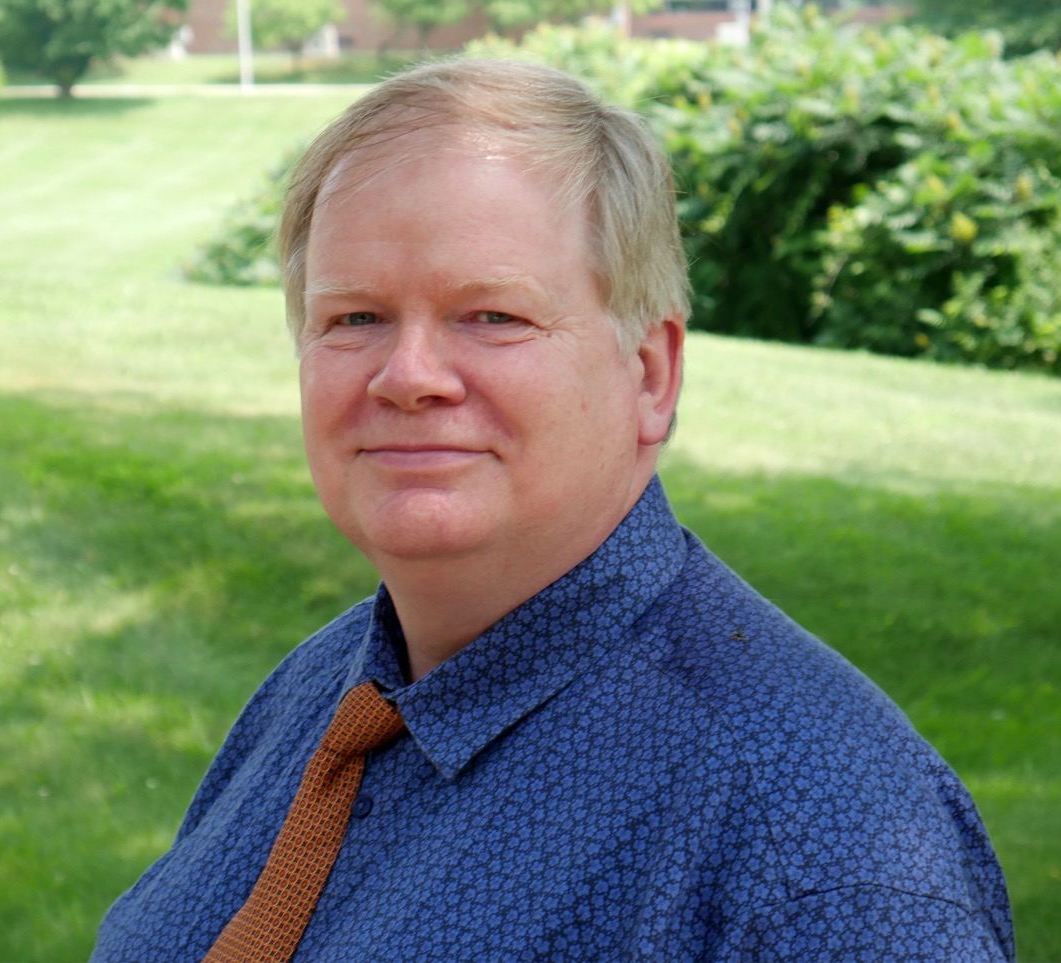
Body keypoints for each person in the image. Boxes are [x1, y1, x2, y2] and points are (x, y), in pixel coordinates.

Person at [91, 60, 1014, 961]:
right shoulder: (319, 690)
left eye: (492, 316)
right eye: (354, 318)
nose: (408, 374)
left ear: (649, 375)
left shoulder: (824, 843)